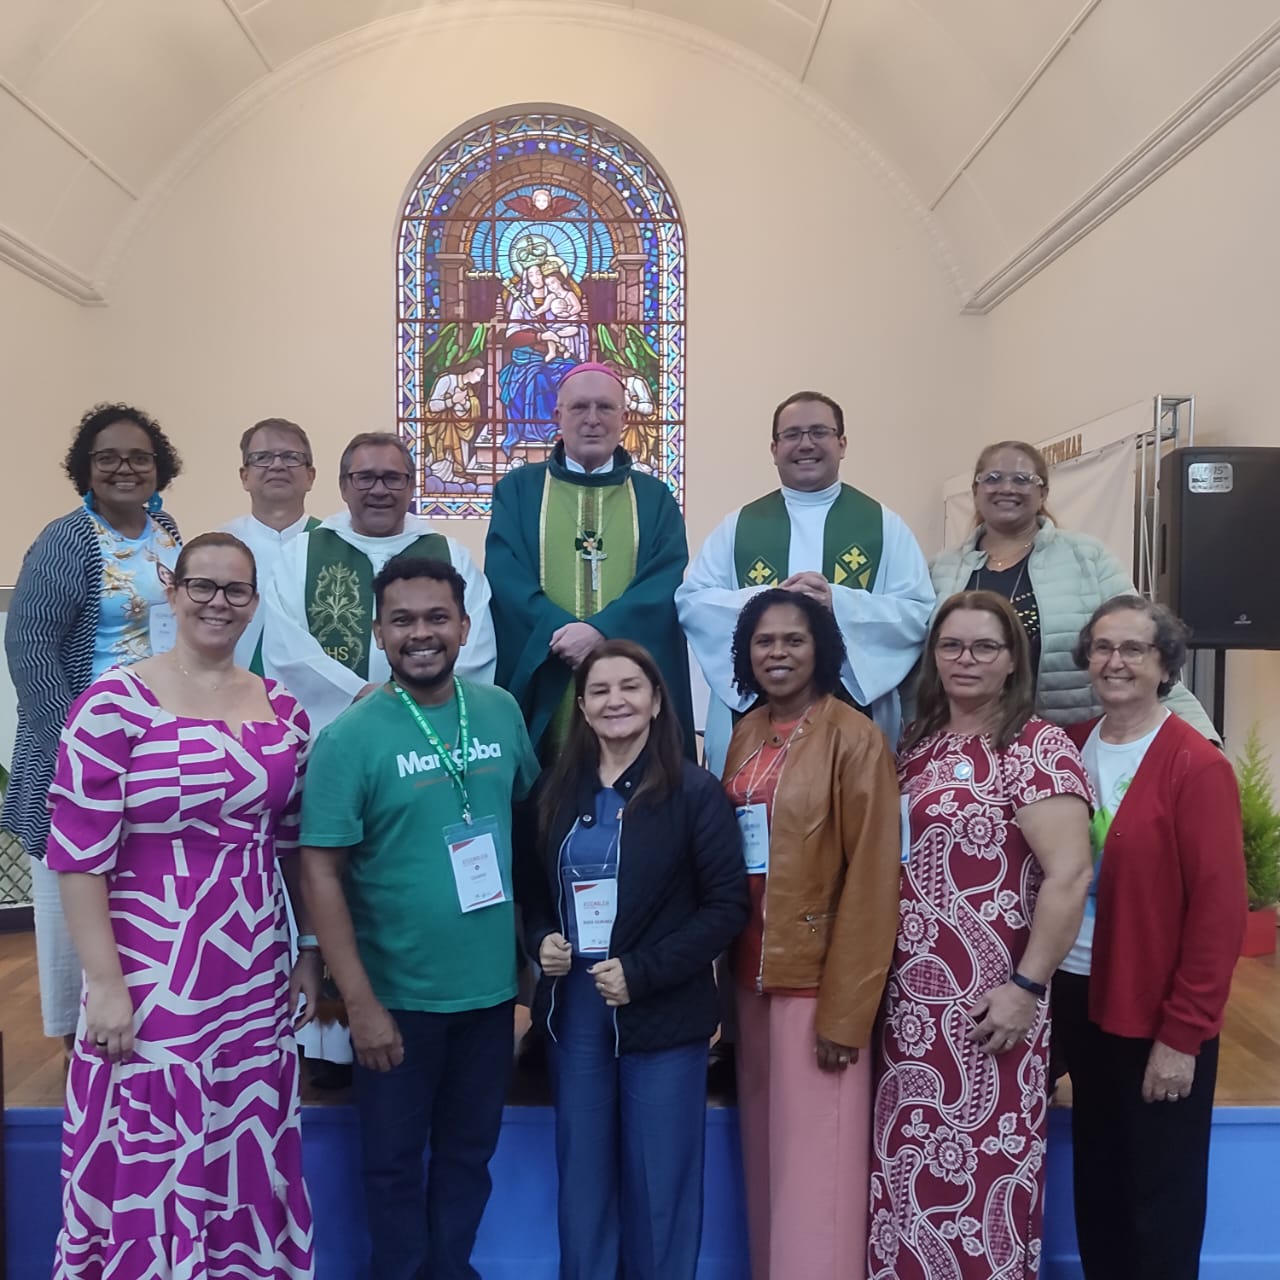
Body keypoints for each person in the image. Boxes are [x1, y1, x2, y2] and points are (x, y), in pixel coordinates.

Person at [45, 531, 318, 1278]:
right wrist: (105, 985)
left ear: (254, 603)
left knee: (244, 1127)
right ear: (173, 590)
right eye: (202, 586)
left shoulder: (285, 711)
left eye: (236, 590)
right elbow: (77, 856)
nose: (217, 603)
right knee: (153, 1128)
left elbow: (294, 845)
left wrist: (308, 951)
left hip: (250, 961)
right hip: (150, 964)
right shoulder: (113, 704)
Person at [299, 556, 540, 1280]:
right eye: (401, 620)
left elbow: (527, 828)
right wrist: (359, 1004)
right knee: (394, 1166)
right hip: (396, 999)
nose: (421, 633)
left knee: (469, 1156)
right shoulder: (349, 738)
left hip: (489, 995)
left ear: (464, 626)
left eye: (437, 617)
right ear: (379, 633)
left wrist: (531, 967)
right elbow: (320, 872)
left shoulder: (500, 711)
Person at [870, 590, 1094, 1280]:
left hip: (991, 1005)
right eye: (951, 645)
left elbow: (1070, 875)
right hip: (911, 1008)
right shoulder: (919, 742)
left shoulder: (1035, 745)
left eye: (984, 647)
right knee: (907, 1177)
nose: (965, 659)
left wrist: (1026, 987)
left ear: (1012, 660)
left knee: (982, 1175)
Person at [517, 640, 748, 1280]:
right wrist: (541, 939)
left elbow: (726, 907)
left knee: (660, 1187)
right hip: (575, 1016)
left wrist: (643, 972)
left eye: (630, 687)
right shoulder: (553, 790)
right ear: (583, 707)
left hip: (661, 1014)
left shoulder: (694, 793)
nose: (614, 700)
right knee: (583, 1183)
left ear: (656, 701)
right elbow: (532, 891)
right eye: (599, 690)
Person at [1053, 596, 1245, 1280]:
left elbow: (1219, 915)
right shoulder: (1066, 747)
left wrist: (1183, 1035)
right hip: (1073, 995)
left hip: (1154, 1011)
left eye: (1134, 649)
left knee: (1158, 1195)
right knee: (1099, 1179)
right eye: (1103, 647)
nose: (1115, 662)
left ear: (1165, 666)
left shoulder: (1195, 765)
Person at [721, 589, 902, 1280]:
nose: (778, 653)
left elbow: (874, 880)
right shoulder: (747, 731)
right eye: (764, 641)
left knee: (816, 1182)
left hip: (817, 987)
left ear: (821, 648)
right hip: (751, 979)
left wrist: (846, 1013)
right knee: (769, 1170)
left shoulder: (854, 737)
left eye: (794, 639)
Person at [3, 403, 182, 1060]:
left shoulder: (168, 532)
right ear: (85, 468)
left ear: (159, 467)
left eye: (138, 456)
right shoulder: (66, 539)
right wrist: (75, 749)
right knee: (76, 897)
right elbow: (30, 651)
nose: (123, 468)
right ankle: (81, 1049)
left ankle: (148, 1030)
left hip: (158, 743)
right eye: (107, 457)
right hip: (82, 748)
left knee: (138, 897)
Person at [677, 389, 934, 775]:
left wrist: (838, 603)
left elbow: (917, 612)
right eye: (792, 434)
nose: (806, 444)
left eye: (819, 432)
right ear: (774, 448)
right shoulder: (737, 527)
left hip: (852, 718)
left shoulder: (884, 526)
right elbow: (693, 603)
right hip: (753, 719)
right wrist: (768, 602)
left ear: (842, 443)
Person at [929, 439, 1217, 738]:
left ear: (1043, 493)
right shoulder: (942, 570)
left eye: (1022, 479)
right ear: (975, 491)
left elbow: (1142, 646)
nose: (1006, 488)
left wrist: (1200, 735)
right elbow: (919, 670)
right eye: (992, 478)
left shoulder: (1088, 557)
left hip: (1072, 742)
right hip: (962, 744)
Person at [486, 363, 695, 757]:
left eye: (605, 407)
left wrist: (601, 630)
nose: (592, 419)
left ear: (625, 417)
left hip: (631, 675)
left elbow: (664, 578)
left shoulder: (654, 498)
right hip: (549, 665)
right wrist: (562, 633)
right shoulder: (518, 491)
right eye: (579, 407)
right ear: (557, 415)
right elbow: (505, 574)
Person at [261, 430, 495, 733]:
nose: (379, 490)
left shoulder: (453, 556)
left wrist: (420, 699)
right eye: (365, 478)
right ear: (343, 486)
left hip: (430, 730)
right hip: (335, 732)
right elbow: (286, 646)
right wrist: (358, 693)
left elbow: (475, 644)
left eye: (392, 478)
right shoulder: (299, 555)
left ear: (411, 486)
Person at [221, 416, 319, 672]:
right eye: (262, 457)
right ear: (244, 476)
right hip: (231, 686)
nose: (277, 465)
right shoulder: (219, 548)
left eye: (291, 457)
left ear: (310, 476)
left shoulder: (332, 543)